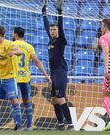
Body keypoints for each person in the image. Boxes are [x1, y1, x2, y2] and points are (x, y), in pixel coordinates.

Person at [8, 27, 51, 130]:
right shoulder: (29, 47)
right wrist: (46, 75)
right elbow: (37, 62)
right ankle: (29, 126)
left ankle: (18, 125)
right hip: (26, 78)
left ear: (15, 34)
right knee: (27, 101)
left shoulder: (11, 45)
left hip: (14, 77)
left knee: (14, 101)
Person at [42, 0, 73, 130]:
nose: (53, 31)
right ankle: (60, 123)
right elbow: (45, 25)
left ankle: (70, 123)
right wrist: (44, 11)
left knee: (60, 99)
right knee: (54, 99)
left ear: (58, 31)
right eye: (51, 30)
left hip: (60, 72)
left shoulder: (61, 40)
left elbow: (60, 25)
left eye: (54, 30)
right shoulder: (51, 40)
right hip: (53, 73)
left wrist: (59, 11)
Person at [0, 24, 23, 130]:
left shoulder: (9, 43)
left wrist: (12, 52)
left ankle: (18, 124)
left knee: (13, 100)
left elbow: (20, 52)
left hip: (9, 77)